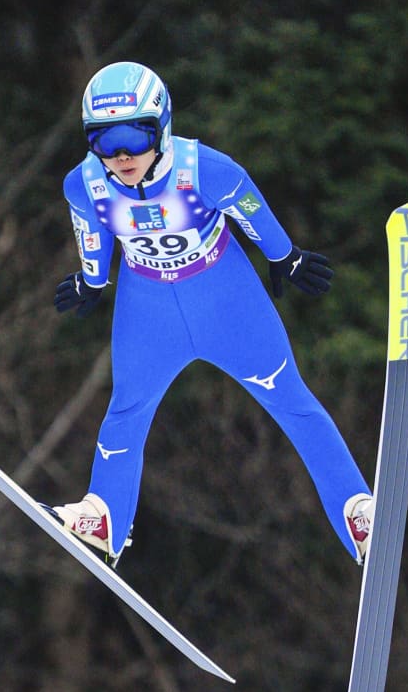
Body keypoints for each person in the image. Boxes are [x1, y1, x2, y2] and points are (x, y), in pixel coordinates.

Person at [52, 60, 372, 568]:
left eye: (134, 137)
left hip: (224, 295)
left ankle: (357, 511)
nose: (120, 156)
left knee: (290, 397)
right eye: (103, 141)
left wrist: (285, 257)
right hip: (148, 304)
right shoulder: (85, 184)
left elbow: (251, 210)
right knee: (127, 409)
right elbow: (92, 237)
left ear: (161, 127)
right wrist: (91, 281)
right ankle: (107, 517)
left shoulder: (205, 169)